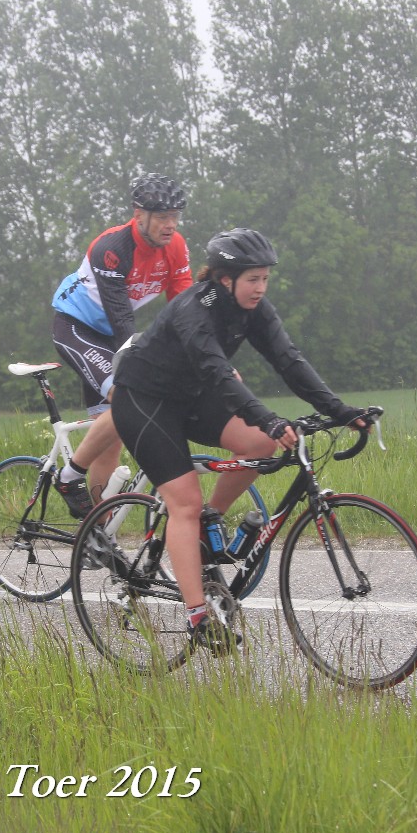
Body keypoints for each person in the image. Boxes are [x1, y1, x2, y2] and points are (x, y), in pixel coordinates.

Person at [110, 229, 368, 652]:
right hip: (144, 401)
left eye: (265, 278)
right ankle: (198, 616)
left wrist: (341, 411)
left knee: (260, 444)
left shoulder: (255, 309)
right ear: (225, 279)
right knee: (184, 502)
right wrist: (268, 418)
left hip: (190, 398)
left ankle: (206, 523)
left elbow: (289, 360)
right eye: (253, 279)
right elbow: (217, 373)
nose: (261, 288)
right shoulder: (194, 309)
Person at [50, 173, 193, 517]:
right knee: (127, 397)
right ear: (138, 214)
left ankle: (97, 532)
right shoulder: (112, 249)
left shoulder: (175, 246)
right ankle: (69, 476)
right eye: (162, 217)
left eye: (175, 216)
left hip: (110, 335)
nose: (171, 225)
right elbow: (121, 322)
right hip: (77, 328)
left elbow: (185, 309)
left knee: (109, 446)